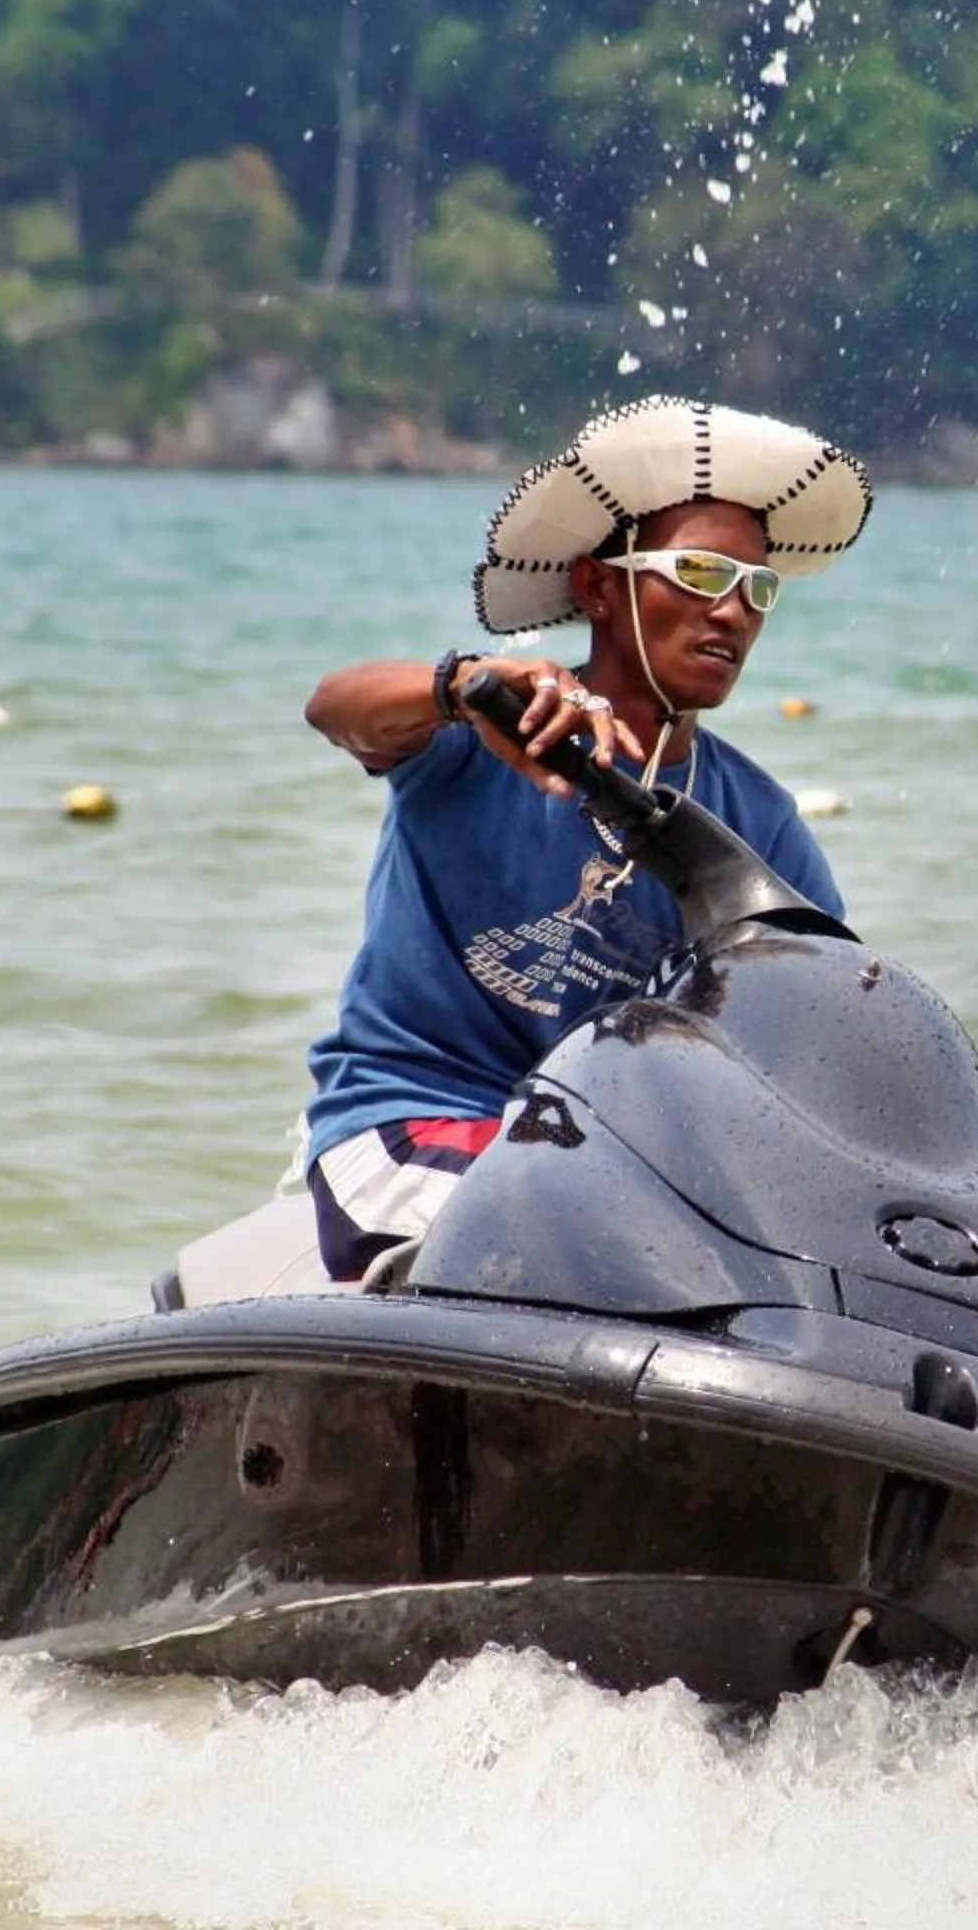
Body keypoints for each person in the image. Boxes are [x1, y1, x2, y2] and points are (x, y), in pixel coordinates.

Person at [230, 395, 871, 1299]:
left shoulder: (758, 822)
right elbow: (334, 707)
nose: (732, 611)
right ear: (600, 588)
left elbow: (821, 1027)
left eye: (757, 588)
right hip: (419, 1125)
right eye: (698, 573)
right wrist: (462, 687)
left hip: (600, 1170)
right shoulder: (479, 728)